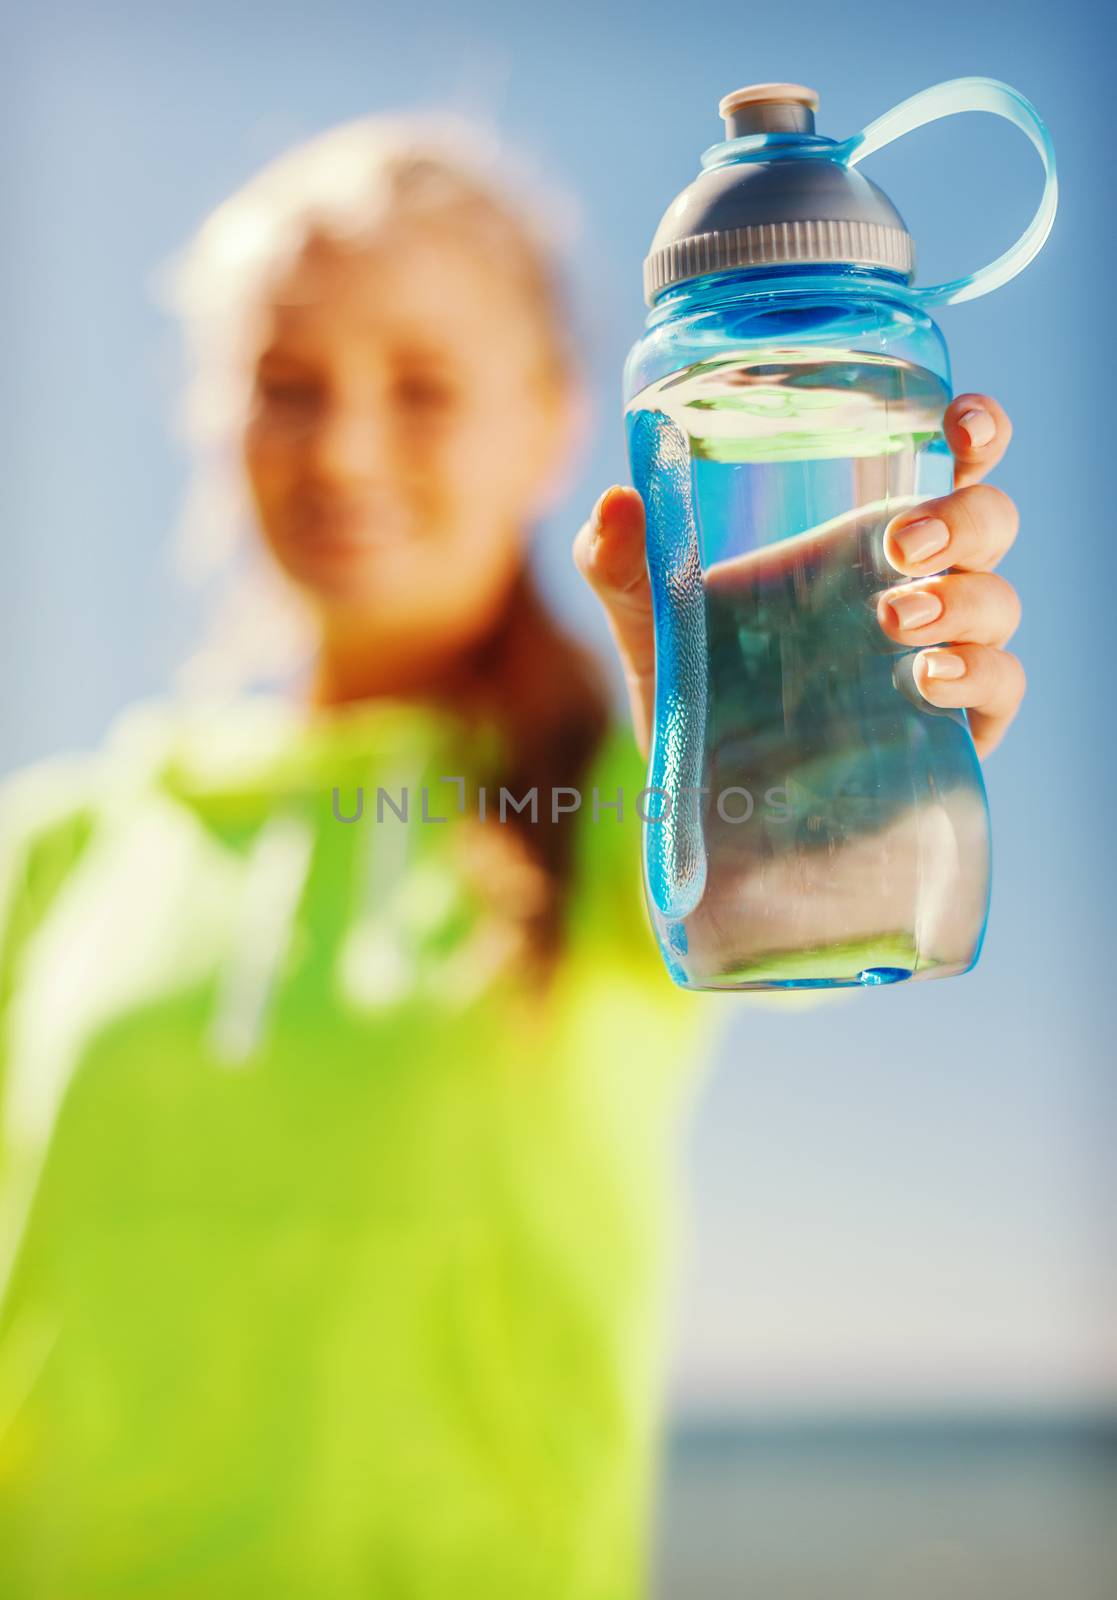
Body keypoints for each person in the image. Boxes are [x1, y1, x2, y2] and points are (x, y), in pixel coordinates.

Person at [0, 111, 1026, 1598]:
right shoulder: (57, 846)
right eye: (289, 386)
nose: (345, 448)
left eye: (421, 388)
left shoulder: (619, 805)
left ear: (551, 419)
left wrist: (832, 714)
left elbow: (793, 878)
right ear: (213, 417)